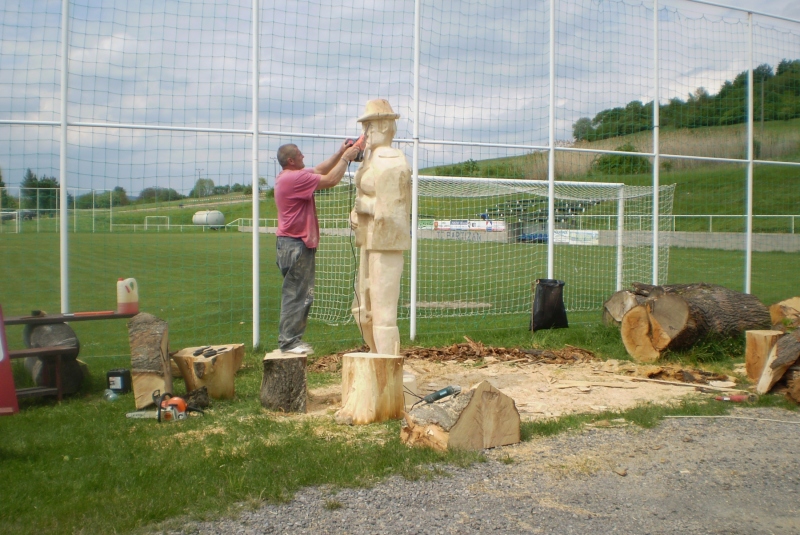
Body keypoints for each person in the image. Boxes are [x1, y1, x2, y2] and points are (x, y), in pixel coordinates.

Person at [274, 141, 361, 354]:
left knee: (298, 294)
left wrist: (341, 151)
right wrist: (346, 158)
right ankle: (289, 342)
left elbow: (322, 170)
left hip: (290, 244)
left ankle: (292, 340)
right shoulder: (295, 178)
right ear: (291, 160)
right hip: (296, 244)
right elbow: (330, 179)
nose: (304, 155)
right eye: (300, 154)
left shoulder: (290, 176)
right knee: (296, 295)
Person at [350, 99, 411, 355]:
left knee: (383, 312)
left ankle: (387, 367)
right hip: (370, 241)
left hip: (385, 244)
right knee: (363, 310)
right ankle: (378, 360)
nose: (366, 133)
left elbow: (393, 211)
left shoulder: (391, 160)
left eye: (370, 126)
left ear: (386, 125)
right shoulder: (373, 158)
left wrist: (362, 206)